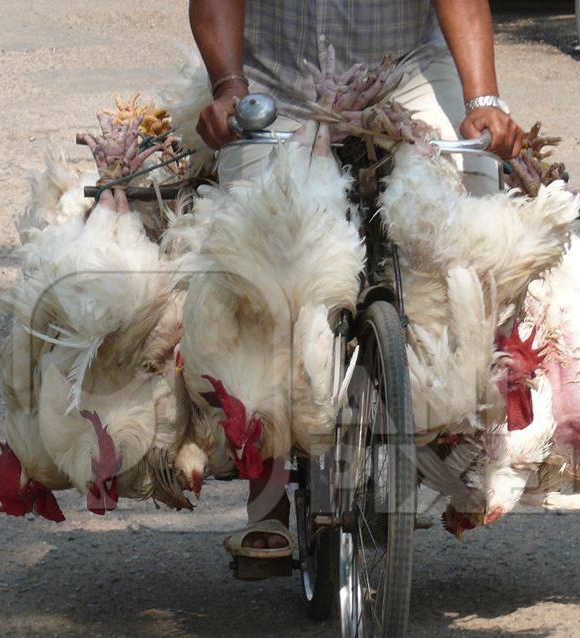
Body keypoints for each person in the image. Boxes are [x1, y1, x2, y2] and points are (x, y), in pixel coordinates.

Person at [188, 0, 525, 557]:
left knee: (475, 224)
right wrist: (228, 86)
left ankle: (461, 430)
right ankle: (266, 494)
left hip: (406, 75)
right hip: (278, 89)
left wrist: (482, 100)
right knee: (249, 261)